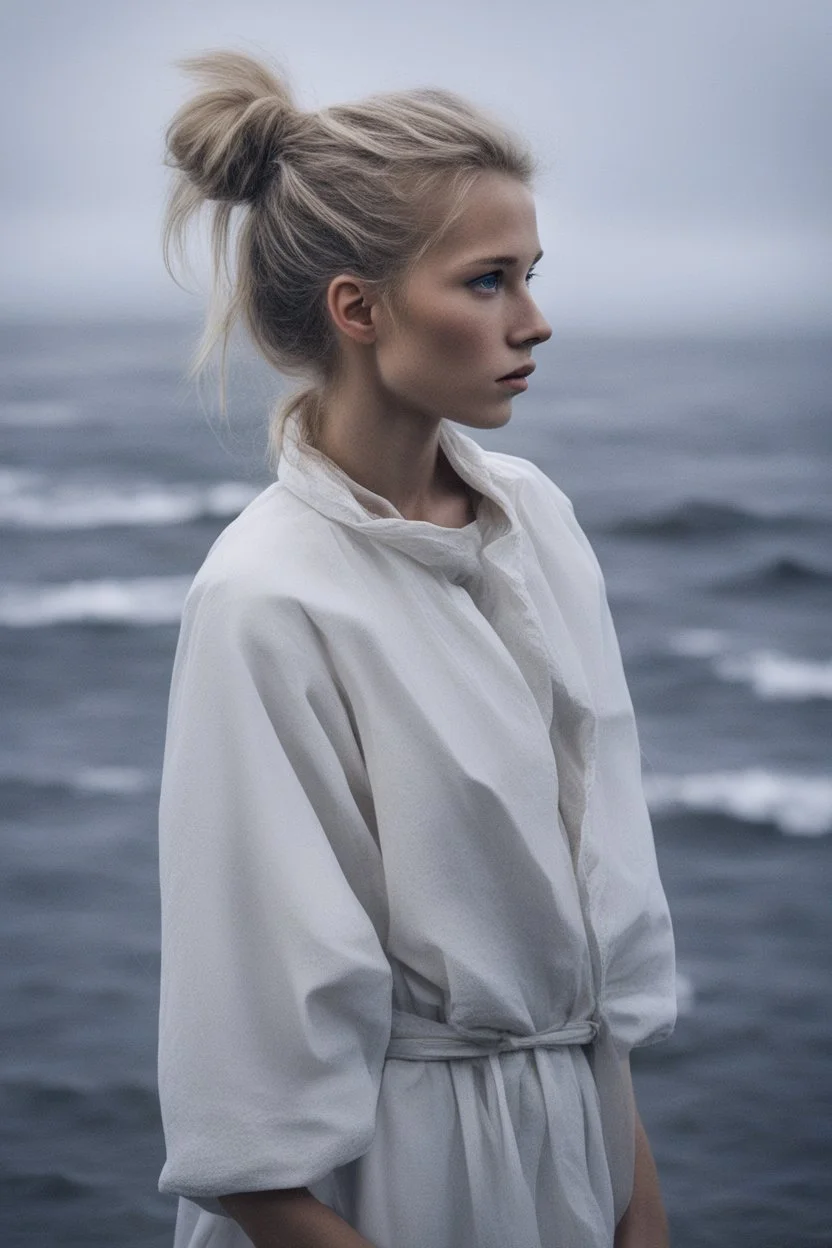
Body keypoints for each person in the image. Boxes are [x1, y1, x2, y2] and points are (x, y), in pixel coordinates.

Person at [156, 50, 677, 1248]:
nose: (534, 320)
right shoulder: (264, 598)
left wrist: (637, 1210)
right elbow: (244, 1122)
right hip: (388, 1186)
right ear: (359, 308)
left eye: (531, 276)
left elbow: (582, 956)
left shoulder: (536, 519)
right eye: (488, 281)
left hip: (574, 1155)